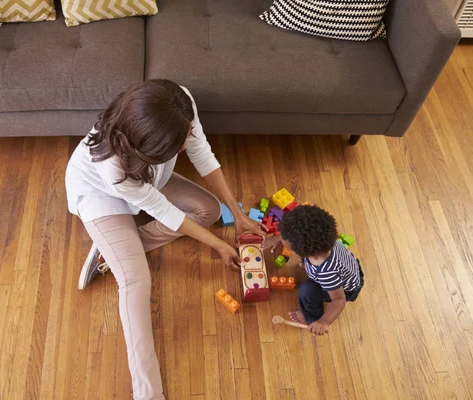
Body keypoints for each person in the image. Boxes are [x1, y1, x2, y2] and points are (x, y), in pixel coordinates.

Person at [64, 79, 264, 399]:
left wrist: (237, 214)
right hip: (102, 196)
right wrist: (219, 245)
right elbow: (165, 212)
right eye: (177, 144)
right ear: (151, 148)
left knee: (208, 211)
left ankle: (112, 250)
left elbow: (202, 153)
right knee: (136, 281)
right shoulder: (112, 167)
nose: (185, 145)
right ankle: (147, 392)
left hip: (150, 180)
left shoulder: (178, 102)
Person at [262, 205, 364, 336]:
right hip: (351, 269)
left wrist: (324, 322)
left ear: (304, 252)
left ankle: (310, 317)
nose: (281, 239)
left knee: (307, 290)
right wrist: (281, 239)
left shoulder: (327, 273)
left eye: (285, 242)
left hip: (345, 289)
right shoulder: (325, 242)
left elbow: (339, 300)